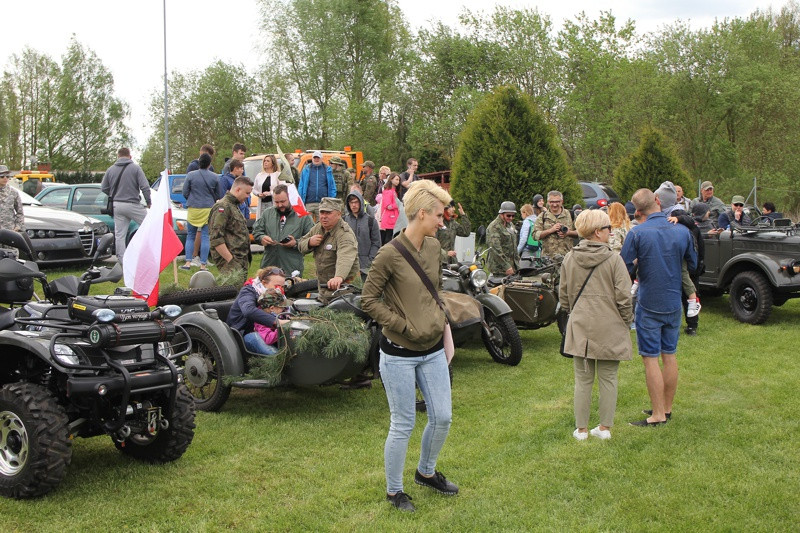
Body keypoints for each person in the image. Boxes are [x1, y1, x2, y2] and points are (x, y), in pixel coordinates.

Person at [361, 179, 458, 513]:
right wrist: (402, 326)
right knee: (403, 423)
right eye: (438, 215)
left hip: (432, 350)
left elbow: (436, 287)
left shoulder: (433, 247)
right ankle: (395, 492)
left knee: (442, 417)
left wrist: (438, 314)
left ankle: (425, 472)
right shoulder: (389, 254)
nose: (442, 222)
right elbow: (368, 300)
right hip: (398, 355)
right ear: (421, 214)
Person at [621, 189, 696, 427]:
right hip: (673, 301)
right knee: (669, 355)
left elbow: (624, 266)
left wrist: (639, 264)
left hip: (649, 302)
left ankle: (658, 415)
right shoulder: (682, 231)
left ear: (637, 211)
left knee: (651, 358)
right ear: (657, 201)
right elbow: (693, 263)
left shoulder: (637, 233)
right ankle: (665, 408)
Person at [560, 210, 633, 441]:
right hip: (610, 325)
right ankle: (604, 428)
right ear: (597, 232)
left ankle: (582, 430)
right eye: (608, 228)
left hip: (581, 324)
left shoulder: (570, 258)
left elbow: (563, 295)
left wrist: (574, 312)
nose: (611, 232)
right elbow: (625, 297)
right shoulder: (614, 259)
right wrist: (626, 320)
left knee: (583, 380)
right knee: (608, 378)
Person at [298, 197, 359, 303]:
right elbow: (300, 245)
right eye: (322, 212)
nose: (324, 216)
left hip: (344, 290)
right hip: (323, 289)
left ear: (338, 214)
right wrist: (309, 242)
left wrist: (339, 277)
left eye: (328, 213)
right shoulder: (318, 228)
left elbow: (345, 257)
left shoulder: (345, 234)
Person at [100, 148, 151, 266]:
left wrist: (113, 194)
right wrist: (148, 201)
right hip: (133, 204)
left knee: (120, 235)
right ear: (130, 156)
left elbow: (104, 188)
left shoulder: (110, 169)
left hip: (117, 204)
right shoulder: (136, 168)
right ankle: (149, 254)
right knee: (150, 226)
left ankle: (122, 261)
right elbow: (145, 186)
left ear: (118, 156)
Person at [253, 184, 314, 276]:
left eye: (283, 201)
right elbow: (256, 231)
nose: (280, 205)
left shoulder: (303, 216)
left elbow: (311, 240)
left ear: (290, 198)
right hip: (269, 266)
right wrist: (261, 238)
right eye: (276, 202)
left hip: (291, 268)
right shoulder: (267, 213)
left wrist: (295, 243)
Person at [226, 266, 288, 355]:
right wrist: (277, 321)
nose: (280, 290)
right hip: (244, 332)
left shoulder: (275, 294)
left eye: (282, 287)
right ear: (264, 283)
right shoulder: (248, 291)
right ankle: (279, 361)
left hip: (268, 331)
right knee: (275, 354)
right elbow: (248, 310)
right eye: (277, 286)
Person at [209, 176, 254, 286]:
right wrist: (230, 260)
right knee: (232, 291)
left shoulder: (233, 206)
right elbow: (216, 238)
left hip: (239, 259)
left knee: (239, 292)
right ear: (238, 189)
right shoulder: (223, 207)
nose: (248, 197)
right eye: (247, 193)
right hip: (230, 261)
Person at [181, 153, 220, 271]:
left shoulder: (190, 175)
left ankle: (188, 262)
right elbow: (218, 194)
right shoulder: (215, 177)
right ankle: (203, 264)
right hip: (208, 209)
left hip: (193, 208)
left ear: (199, 163)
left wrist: (191, 199)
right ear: (209, 164)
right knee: (205, 237)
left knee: (190, 236)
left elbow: (184, 192)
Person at [344, 190, 381, 280]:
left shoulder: (371, 221)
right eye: (351, 202)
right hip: (347, 263)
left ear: (361, 202)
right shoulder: (344, 221)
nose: (354, 205)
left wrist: (370, 260)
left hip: (366, 265)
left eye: (356, 202)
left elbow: (376, 243)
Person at [532, 191, 578, 258]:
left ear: (562, 201)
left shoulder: (571, 215)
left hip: (567, 258)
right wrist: (550, 230)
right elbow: (535, 235)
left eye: (557, 202)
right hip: (548, 259)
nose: (554, 204)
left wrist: (569, 233)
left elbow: (581, 233)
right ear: (548, 202)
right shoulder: (542, 216)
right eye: (552, 202)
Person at [298, 151, 336, 221]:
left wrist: (331, 200)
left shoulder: (327, 170)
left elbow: (332, 187)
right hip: (308, 203)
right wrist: (301, 200)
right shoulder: (306, 170)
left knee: (321, 224)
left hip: (323, 204)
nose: (316, 159)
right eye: (314, 158)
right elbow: (301, 186)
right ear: (312, 159)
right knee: (308, 224)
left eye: (318, 158)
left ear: (321, 159)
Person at [486, 201, 519, 276]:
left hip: (512, 267)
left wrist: (517, 265)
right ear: (501, 214)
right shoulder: (494, 227)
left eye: (513, 216)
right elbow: (495, 249)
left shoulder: (510, 225)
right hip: (499, 269)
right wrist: (506, 266)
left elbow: (514, 246)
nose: (511, 218)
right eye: (508, 215)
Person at [0, 165, 25, 256]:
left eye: (7, 176)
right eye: (2, 176)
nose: (5, 178)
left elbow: (20, 212)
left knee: (12, 256)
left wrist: (18, 227)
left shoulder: (13, 192)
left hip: (9, 231)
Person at [380, 172, 401, 245]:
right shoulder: (388, 192)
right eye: (396, 179)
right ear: (391, 180)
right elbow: (388, 206)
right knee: (389, 237)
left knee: (391, 236)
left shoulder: (394, 191)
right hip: (390, 218)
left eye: (398, 180)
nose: (398, 181)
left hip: (393, 217)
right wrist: (398, 205)